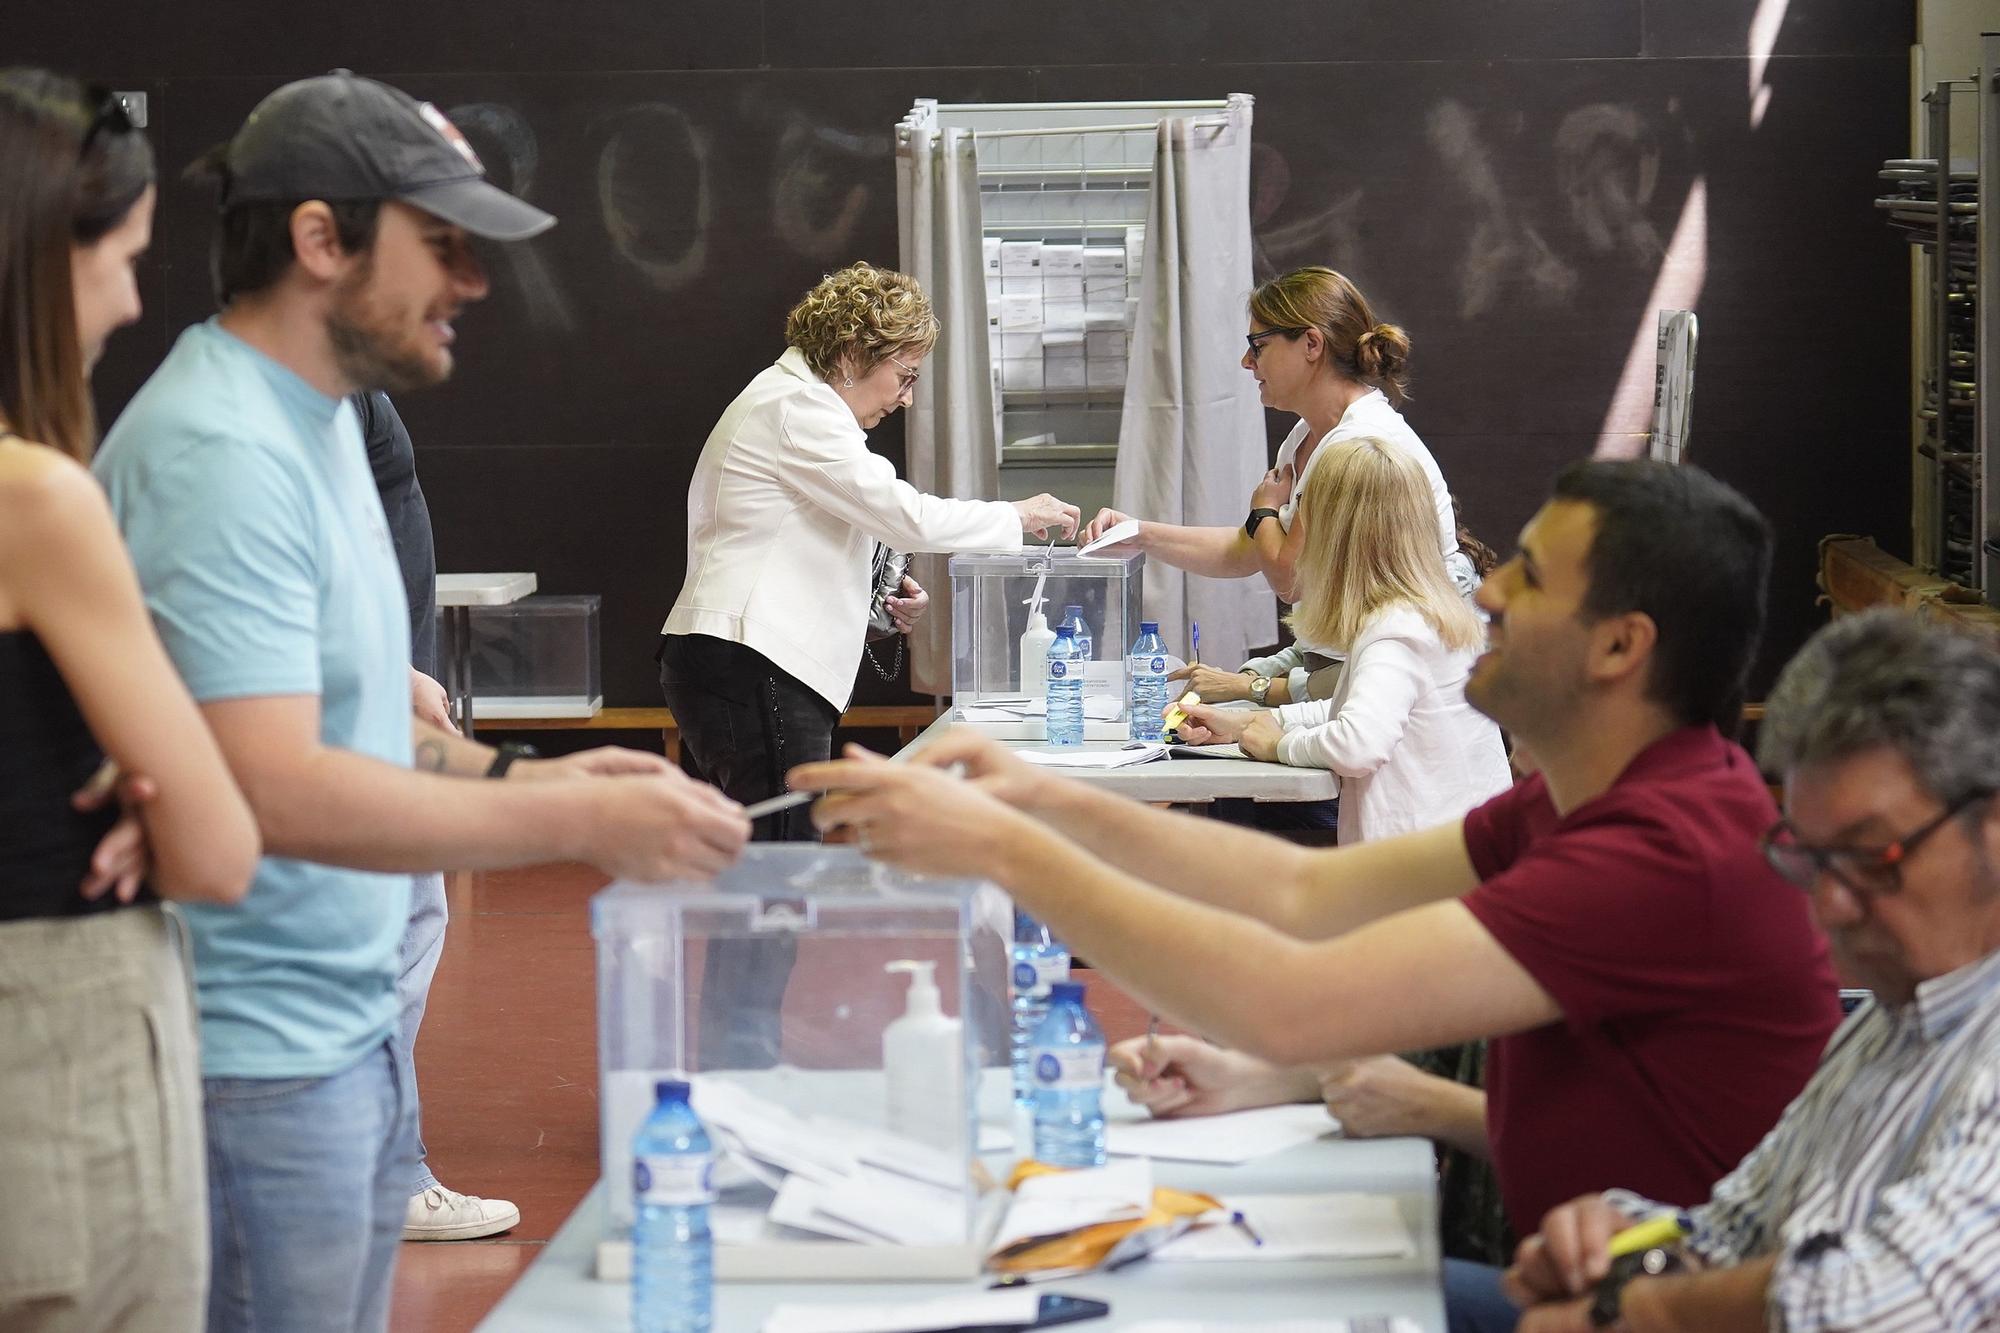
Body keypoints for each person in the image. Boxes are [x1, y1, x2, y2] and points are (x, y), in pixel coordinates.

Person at [796, 460, 1844, 1333]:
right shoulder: (1589, 800)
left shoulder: (1666, 849)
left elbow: (1291, 1000)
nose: (1486, 594)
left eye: (1527, 579)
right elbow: (1307, 891)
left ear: (1620, 645)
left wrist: (1011, 847)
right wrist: (1035, 797)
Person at [92, 72, 749, 1333]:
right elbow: (274, 786)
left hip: (343, 1045)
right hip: (252, 1063)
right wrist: (571, 829)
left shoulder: (324, 421)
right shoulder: (220, 451)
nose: (475, 280)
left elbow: (358, 724)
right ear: (320, 240)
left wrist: (551, 779)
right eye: (440, 243)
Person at [1506, 609, 2000, 1332]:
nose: (1828, 903)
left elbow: (1886, 1301)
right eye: (1811, 856)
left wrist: (1640, 1310)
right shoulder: (1896, 1017)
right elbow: (1736, 1226)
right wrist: (1624, 1243)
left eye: (1869, 855)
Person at [658, 261, 1076, 1067]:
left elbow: (824, 534)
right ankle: (737, 1066)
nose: (907, 396)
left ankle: (737, 1056)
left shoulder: (801, 410)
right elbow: (900, 510)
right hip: (750, 662)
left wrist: (882, 604)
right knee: (778, 872)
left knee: (780, 868)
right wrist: (1015, 516)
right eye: (904, 375)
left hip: (749, 661)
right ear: (853, 351)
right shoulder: (796, 409)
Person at [0, 68, 261, 1331]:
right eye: (125, 255)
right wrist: (160, 794)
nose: (132, 294)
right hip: (55, 1059)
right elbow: (215, 845)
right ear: (47, 254)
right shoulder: (36, 499)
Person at [1080, 265, 1476, 707]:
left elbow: (1290, 578)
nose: (1247, 362)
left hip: (1399, 682)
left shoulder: (1360, 444)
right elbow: (1247, 551)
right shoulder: (1306, 437)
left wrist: (1265, 510)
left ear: (1310, 344)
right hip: (1347, 665)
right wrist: (1139, 534)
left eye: (1259, 346)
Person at [355, 388, 518, 1242]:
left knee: (412, 925)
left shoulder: (349, 394)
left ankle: (389, 1169)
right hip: (368, 728)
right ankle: (391, 1173)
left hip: (392, 711)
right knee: (388, 937)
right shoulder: (296, 405)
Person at [1176, 437, 1512, 844]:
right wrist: (1246, 723)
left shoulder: (1395, 629)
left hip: (1419, 866)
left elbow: (1358, 742)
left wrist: (1280, 745)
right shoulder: (1423, 611)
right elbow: (1360, 711)